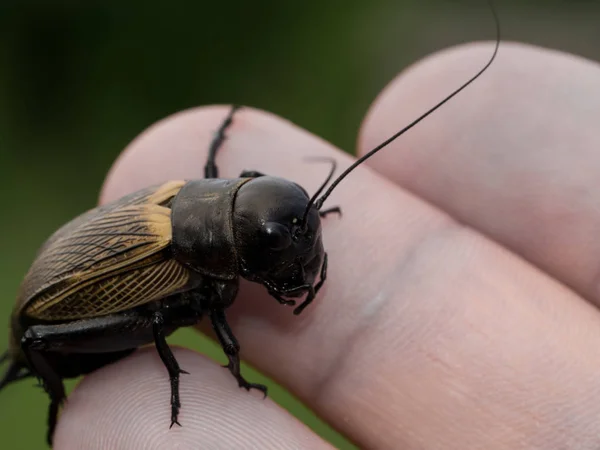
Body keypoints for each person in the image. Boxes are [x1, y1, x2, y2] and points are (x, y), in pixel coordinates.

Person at [52, 41, 600, 449]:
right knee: (132, 324)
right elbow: (199, 326)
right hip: (61, 316)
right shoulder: (178, 252)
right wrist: (204, 377)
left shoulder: (202, 201)